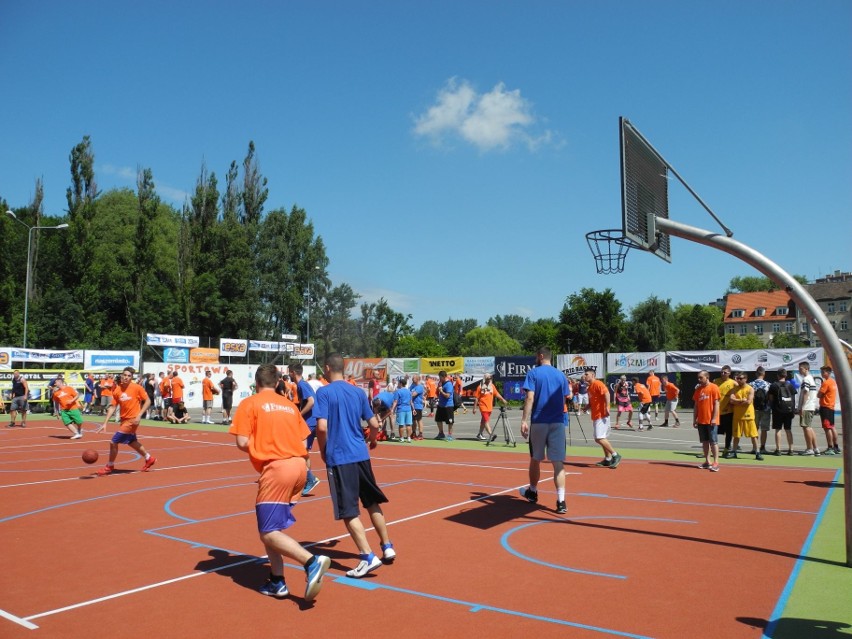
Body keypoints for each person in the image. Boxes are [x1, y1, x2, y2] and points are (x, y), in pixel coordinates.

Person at [228, 363, 331, 601]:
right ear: (277, 383)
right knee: (272, 527)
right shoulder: (288, 406)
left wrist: (263, 442)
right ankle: (277, 581)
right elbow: (304, 438)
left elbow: (242, 442)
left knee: (267, 532)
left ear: (256, 383)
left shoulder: (249, 403)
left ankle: (311, 561)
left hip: (278, 467)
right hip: (299, 467)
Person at [315, 352, 396, 579]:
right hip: (361, 455)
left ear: (328, 368)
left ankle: (367, 556)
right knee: (371, 502)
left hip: (340, 457)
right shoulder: (357, 392)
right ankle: (387, 545)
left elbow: (321, 427)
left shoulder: (324, 392)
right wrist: (371, 440)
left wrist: (323, 450)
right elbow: (373, 422)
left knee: (348, 510)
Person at [518, 347, 573, 515]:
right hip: (557, 421)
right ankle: (561, 501)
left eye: (536, 355)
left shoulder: (534, 373)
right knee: (558, 463)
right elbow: (566, 397)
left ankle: (533, 491)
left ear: (541, 356)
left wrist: (524, 420)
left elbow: (530, 397)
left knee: (536, 459)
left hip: (540, 421)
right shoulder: (561, 375)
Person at [96, 367, 156, 475]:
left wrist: (139, 415)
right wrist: (105, 423)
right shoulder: (117, 390)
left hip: (132, 420)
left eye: (129, 376)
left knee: (113, 442)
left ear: (131, 377)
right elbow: (113, 407)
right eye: (125, 375)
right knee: (132, 442)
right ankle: (149, 458)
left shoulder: (137, 387)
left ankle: (109, 466)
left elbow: (148, 401)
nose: (126, 377)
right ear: (122, 375)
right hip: (124, 420)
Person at [289, 364, 321, 495]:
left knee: (298, 451)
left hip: (309, 422)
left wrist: (299, 414)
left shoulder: (302, 385)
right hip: (313, 421)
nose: (288, 375)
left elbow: (311, 401)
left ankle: (310, 479)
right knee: (304, 451)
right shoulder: (303, 385)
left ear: (293, 372)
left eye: (289, 372)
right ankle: (307, 480)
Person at [584, 368, 623, 470]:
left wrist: (607, 406)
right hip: (596, 415)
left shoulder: (598, 383)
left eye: (587, 374)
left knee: (599, 438)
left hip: (602, 415)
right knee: (602, 437)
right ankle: (608, 459)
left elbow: (607, 393)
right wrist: (587, 406)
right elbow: (593, 400)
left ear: (593, 375)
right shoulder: (589, 388)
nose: (585, 376)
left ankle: (615, 455)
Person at [726, 372, 763, 460]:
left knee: (753, 435)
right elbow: (731, 400)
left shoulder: (750, 389)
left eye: (741, 378)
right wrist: (741, 400)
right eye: (737, 378)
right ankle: (734, 452)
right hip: (737, 416)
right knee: (736, 436)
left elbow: (749, 402)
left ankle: (757, 452)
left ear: (745, 379)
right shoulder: (734, 389)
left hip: (748, 416)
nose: (738, 380)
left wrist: (737, 401)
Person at [693, 370, 721, 471]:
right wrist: (695, 419)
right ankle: (707, 461)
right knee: (704, 442)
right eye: (698, 378)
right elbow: (696, 405)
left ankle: (716, 462)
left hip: (711, 421)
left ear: (707, 377)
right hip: (701, 420)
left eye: (701, 377)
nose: (699, 379)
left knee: (713, 442)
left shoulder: (714, 387)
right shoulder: (698, 389)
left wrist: (714, 418)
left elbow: (717, 404)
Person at [768, 368, 798, 455]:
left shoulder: (774, 385)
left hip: (778, 410)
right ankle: (791, 449)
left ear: (778, 375)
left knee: (778, 429)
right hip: (788, 410)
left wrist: (772, 406)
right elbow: (793, 399)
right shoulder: (790, 386)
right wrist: (793, 410)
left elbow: (770, 398)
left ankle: (778, 449)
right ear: (785, 375)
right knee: (788, 429)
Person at [473, 374, 507, 441]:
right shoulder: (480, 387)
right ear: (485, 379)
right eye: (488, 378)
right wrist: (474, 408)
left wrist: (502, 399)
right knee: (486, 421)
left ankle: (480, 434)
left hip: (489, 407)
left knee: (483, 421)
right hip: (483, 406)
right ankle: (491, 434)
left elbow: (496, 394)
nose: (489, 380)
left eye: (490, 378)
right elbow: (476, 398)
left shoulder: (492, 386)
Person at [795, 362, 818, 456]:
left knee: (806, 427)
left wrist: (802, 407)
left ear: (806, 369)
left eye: (801, 368)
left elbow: (806, 393)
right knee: (809, 427)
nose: (800, 370)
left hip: (807, 407)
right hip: (810, 406)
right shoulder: (810, 378)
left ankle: (810, 449)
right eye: (799, 368)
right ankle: (815, 448)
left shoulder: (806, 379)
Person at [713, 366, 736, 455]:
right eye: (722, 372)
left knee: (729, 432)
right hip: (717, 411)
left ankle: (727, 449)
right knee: (714, 431)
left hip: (728, 412)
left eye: (725, 372)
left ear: (729, 373)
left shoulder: (733, 383)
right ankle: (713, 449)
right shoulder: (715, 381)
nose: (723, 374)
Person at [818, 365, 840, 455]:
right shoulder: (833, 382)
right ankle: (836, 447)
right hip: (831, 407)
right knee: (832, 427)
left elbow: (819, 395)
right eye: (821, 372)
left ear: (828, 373)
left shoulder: (826, 382)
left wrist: (820, 394)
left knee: (827, 428)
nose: (822, 373)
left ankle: (830, 447)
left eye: (823, 372)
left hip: (826, 407)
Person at [749, 366, 772, 453]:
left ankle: (755, 448)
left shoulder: (751, 384)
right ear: (764, 374)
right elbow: (770, 398)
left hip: (753, 409)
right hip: (765, 409)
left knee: (754, 429)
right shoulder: (768, 385)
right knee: (764, 429)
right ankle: (762, 447)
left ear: (756, 374)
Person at [434, 371, 456, 441]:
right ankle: (441, 433)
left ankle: (449, 435)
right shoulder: (441, 383)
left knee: (450, 421)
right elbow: (437, 393)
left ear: (444, 377)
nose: (439, 379)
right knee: (438, 419)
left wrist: (441, 391)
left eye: (440, 377)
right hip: (441, 405)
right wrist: (438, 389)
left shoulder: (449, 384)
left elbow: (447, 395)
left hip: (448, 406)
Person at [391, 377, 413, 443]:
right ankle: (409, 438)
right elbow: (411, 401)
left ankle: (402, 438)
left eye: (398, 383)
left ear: (400, 384)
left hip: (401, 409)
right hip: (408, 409)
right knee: (408, 424)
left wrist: (392, 409)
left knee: (401, 425)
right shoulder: (409, 391)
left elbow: (395, 401)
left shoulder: (398, 391)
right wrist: (413, 409)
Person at [409, 374, 425, 440]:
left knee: (419, 420)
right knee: (413, 420)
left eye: (414, 378)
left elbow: (413, 394)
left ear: (418, 379)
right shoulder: (412, 386)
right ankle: (414, 433)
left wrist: (408, 394)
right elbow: (409, 392)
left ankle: (420, 434)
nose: (412, 379)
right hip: (412, 406)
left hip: (418, 406)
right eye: (412, 378)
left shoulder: (419, 387)